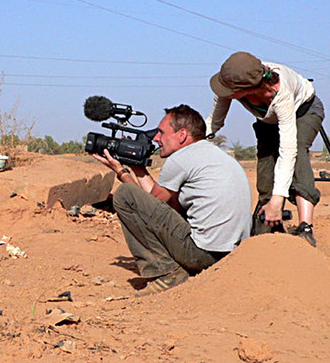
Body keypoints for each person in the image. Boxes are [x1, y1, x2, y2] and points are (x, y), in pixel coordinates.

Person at [92, 105, 251, 296]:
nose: (156, 138)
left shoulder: (182, 158)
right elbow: (163, 205)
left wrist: (121, 171)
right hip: (232, 255)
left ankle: (166, 273)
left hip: (202, 255)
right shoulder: (214, 155)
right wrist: (138, 168)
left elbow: (145, 207)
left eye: (161, 132)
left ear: (182, 135)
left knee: (125, 194)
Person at [207, 52, 325, 247]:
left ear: (248, 88)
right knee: (265, 165)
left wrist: (279, 199)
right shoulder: (232, 85)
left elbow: (288, 151)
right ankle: (269, 225)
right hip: (269, 121)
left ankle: (305, 227)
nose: (223, 91)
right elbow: (214, 122)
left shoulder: (281, 93)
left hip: (304, 111)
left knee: (297, 153)